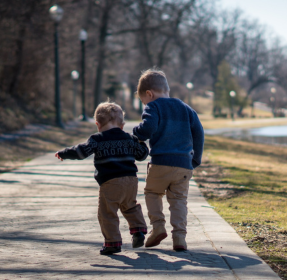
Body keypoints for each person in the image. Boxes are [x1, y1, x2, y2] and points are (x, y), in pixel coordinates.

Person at [55, 101, 149, 255]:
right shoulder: (128, 138)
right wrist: (142, 142)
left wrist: (65, 153)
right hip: (131, 180)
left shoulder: (97, 139)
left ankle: (113, 243)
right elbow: (142, 155)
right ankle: (138, 230)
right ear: (122, 125)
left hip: (110, 182)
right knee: (130, 206)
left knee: (107, 212)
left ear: (97, 124)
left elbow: (81, 152)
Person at [133, 69, 204, 251]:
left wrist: (136, 133)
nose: (145, 104)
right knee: (179, 200)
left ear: (149, 94)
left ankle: (158, 227)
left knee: (152, 193)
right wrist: (195, 159)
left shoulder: (153, 106)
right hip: (184, 165)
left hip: (161, 162)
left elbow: (147, 128)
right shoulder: (186, 108)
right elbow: (199, 132)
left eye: (143, 101)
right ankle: (179, 237)